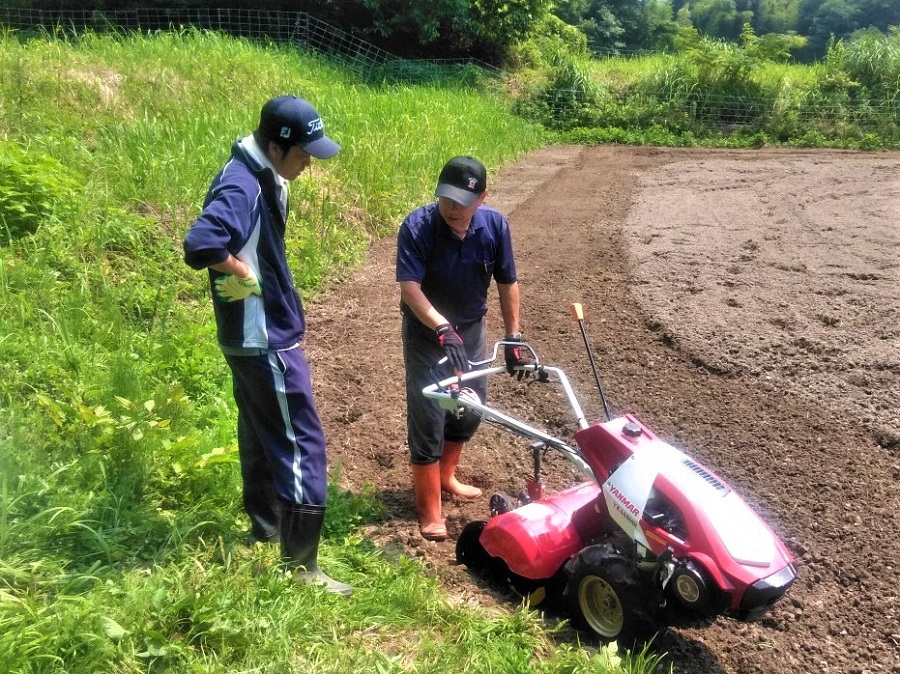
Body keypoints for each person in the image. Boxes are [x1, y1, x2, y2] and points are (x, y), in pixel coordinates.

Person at [183, 95, 351, 595]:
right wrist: (244, 274)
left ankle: (266, 526)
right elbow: (201, 244)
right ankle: (303, 569)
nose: (308, 164)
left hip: (246, 336)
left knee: (259, 429)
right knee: (302, 439)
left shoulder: (258, 173)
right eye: (303, 154)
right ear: (277, 147)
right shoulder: (242, 184)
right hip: (264, 337)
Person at [396, 155, 527, 541]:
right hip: (426, 332)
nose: (452, 208)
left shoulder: (495, 226)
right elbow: (410, 289)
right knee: (429, 413)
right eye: (446, 198)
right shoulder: (418, 227)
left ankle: (447, 476)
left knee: (470, 408)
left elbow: (507, 282)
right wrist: (440, 326)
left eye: (462, 201)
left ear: (482, 198)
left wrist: (514, 337)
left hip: (470, 329)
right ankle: (428, 508)